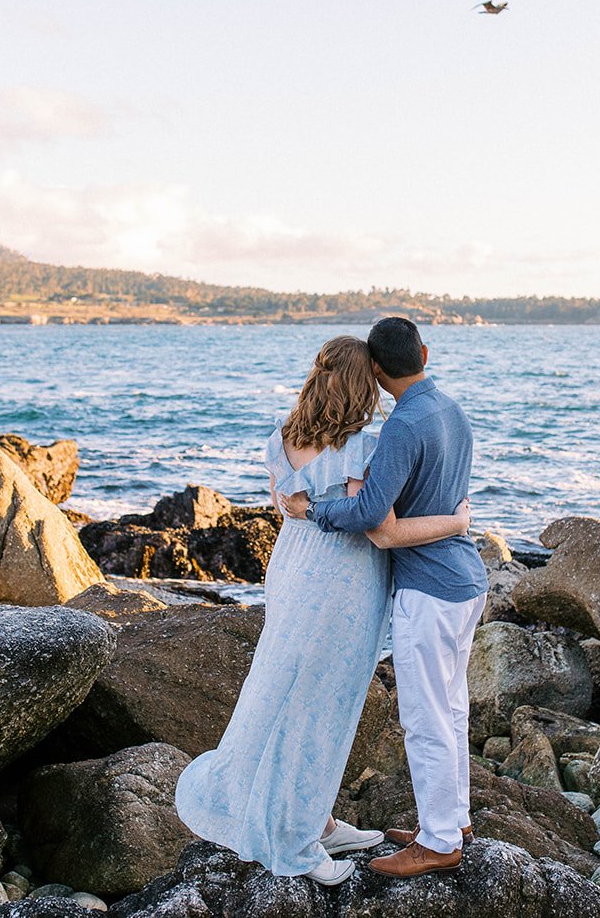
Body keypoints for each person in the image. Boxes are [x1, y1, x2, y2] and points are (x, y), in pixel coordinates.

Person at [174, 335, 471, 886]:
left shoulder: (279, 439)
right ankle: (296, 841)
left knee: (284, 691)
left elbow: (283, 509)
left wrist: (308, 505)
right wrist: (455, 522)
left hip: (289, 574)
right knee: (324, 708)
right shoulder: (362, 446)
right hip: (344, 584)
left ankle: (319, 817)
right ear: (366, 385)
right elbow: (370, 520)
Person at [280, 316, 487, 879]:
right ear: (425, 350)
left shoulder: (402, 426)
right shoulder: (452, 411)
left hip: (429, 587)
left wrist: (313, 511)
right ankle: (454, 819)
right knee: (452, 708)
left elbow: (373, 517)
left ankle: (440, 840)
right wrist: (455, 523)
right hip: (467, 583)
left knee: (424, 716)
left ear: (375, 370)